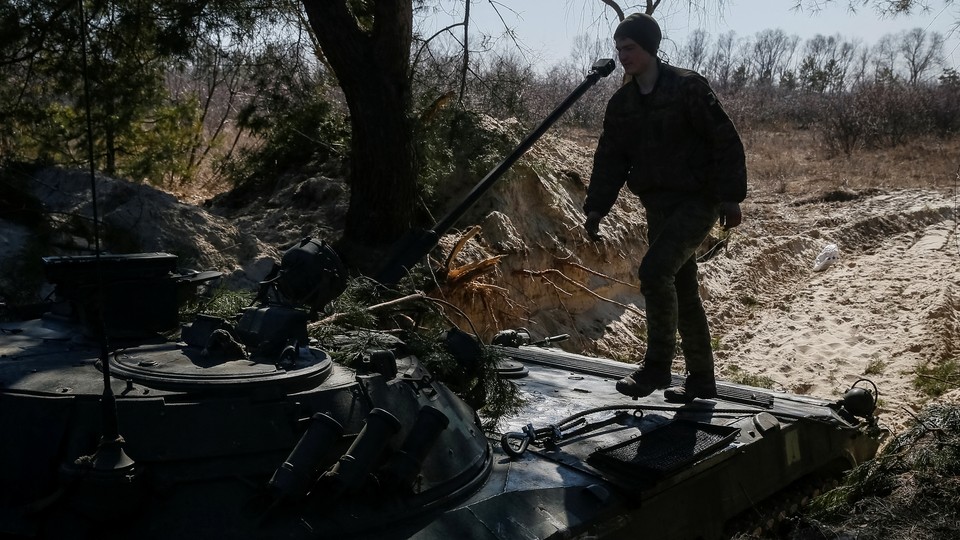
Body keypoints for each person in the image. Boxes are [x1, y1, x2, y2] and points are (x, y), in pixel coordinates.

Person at [583, 13, 747, 403]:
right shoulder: (622, 103)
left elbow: (724, 140)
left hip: (697, 201)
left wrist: (730, 196)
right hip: (657, 205)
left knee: (655, 273)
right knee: (683, 286)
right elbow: (610, 158)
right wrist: (596, 208)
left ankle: (657, 368)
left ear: (650, 48)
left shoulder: (688, 87)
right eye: (619, 49)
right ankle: (702, 381)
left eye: (630, 48)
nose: (623, 56)